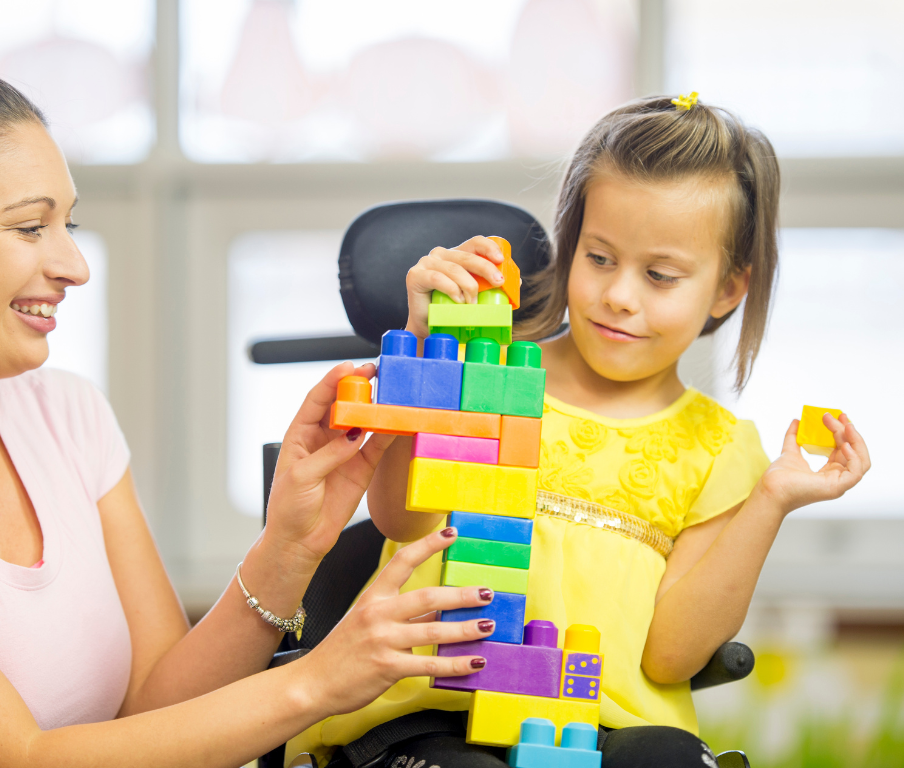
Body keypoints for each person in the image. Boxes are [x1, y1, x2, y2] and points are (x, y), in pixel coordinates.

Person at [0, 61, 500, 768]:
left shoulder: (67, 416)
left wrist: (288, 548)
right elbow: (19, 760)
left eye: (67, 223)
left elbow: (160, 710)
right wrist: (318, 681)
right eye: (29, 227)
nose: (75, 265)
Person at [289, 95, 873, 767]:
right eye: (599, 258)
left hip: (606, 726)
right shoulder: (489, 373)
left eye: (659, 275)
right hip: (431, 706)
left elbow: (671, 656)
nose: (619, 295)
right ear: (571, 245)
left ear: (727, 290)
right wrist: (427, 351)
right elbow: (399, 518)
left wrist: (770, 500)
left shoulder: (720, 448)